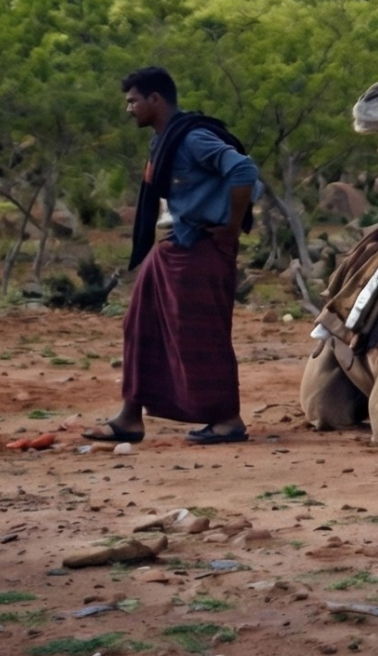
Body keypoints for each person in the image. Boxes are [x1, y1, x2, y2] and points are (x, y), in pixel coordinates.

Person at [86, 67, 258, 447]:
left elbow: (244, 170)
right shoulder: (165, 140)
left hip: (200, 248)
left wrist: (230, 226)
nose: (128, 109)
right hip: (174, 246)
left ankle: (227, 420)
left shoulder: (193, 138)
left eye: (133, 101)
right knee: (139, 325)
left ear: (155, 100)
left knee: (201, 333)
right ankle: (129, 418)